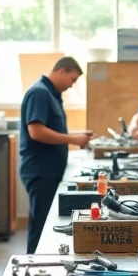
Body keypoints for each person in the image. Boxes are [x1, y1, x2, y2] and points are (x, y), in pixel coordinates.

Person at [19, 57, 94, 254]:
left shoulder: (51, 94)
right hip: (41, 170)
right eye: (73, 79)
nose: (72, 85)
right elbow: (36, 132)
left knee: (43, 221)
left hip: (48, 169)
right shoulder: (40, 93)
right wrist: (72, 139)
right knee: (42, 224)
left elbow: (51, 129)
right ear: (62, 71)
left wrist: (76, 136)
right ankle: (35, 266)